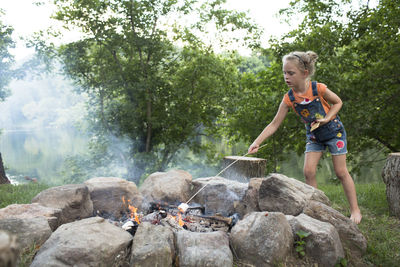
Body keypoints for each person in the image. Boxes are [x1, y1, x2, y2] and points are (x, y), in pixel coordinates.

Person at [248, 51, 362, 224]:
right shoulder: (289, 98)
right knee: (308, 171)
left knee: (340, 172)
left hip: (334, 132)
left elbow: (338, 102)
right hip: (314, 136)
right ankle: (316, 208)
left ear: (305, 73)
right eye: (284, 72)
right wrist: (256, 142)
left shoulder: (318, 88)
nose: (286, 77)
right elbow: (274, 124)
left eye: (291, 73)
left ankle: (355, 210)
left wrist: (327, 118)